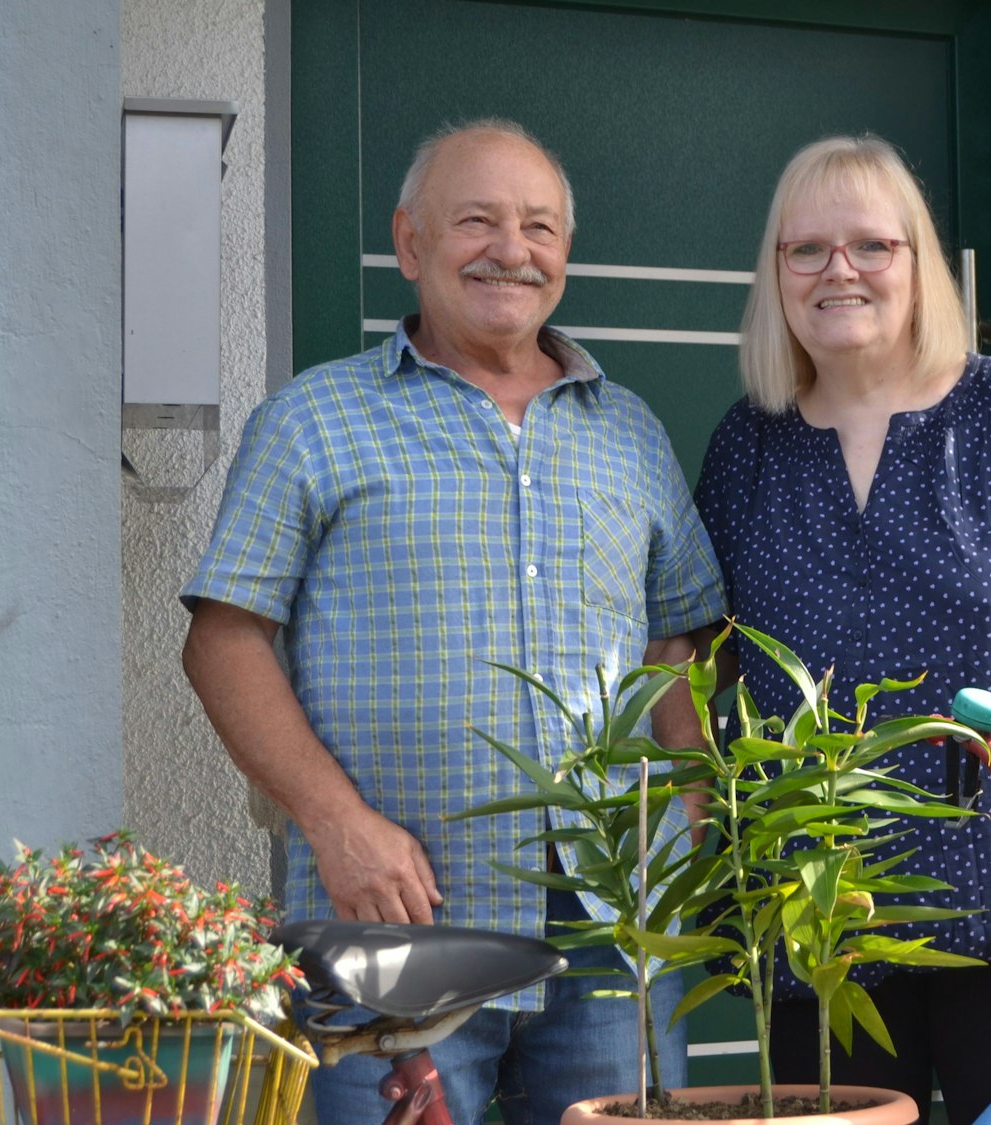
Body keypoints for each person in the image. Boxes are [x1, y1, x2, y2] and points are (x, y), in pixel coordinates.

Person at [181, 119, 725, 1125]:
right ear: (410, 242)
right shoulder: (313, 420)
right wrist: (337, 825)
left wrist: (688, 813)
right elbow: (222, 638)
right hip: (391, 928)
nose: (511, 250)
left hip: (611, 929)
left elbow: (673, 642)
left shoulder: (631, 432)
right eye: (476, 220)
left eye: (538, 226)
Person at [693, 134, 991, 1123]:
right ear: (774, 274)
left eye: (872, 245)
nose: (839, 272)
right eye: (805, 250)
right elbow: (699, 658)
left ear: (918, 264)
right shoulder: (747, 445)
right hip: (819, 917)